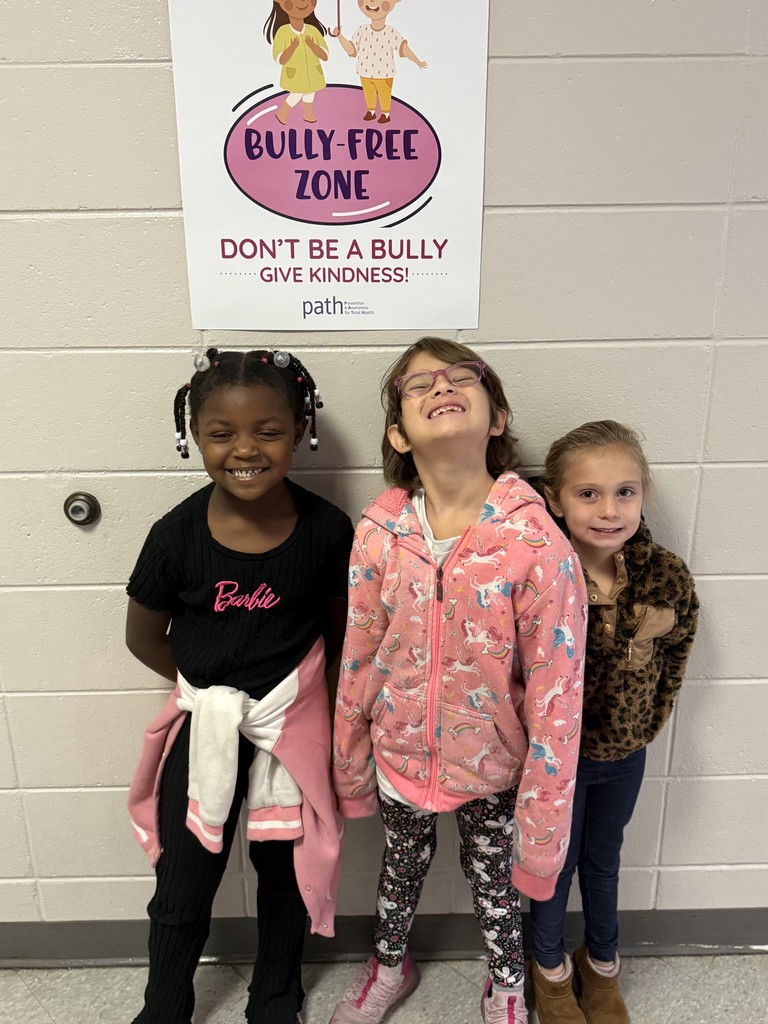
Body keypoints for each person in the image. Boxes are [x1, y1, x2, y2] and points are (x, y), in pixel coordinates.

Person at [329, 337, 587, 1024]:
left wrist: (543, 827)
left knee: (496, 884)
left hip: (494, 765)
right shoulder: (379, 533)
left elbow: (558, 696)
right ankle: (389, 965)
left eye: (461, 377)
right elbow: (359, 653)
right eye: (418, 385)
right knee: (399, 868)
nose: (441, 386)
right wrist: (350, 762)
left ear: (496, 418)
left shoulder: (537, 544)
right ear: (398, 433)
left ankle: (508, 986)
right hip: (399, 752)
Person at [125, 348, 354, 1024]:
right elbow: (144, 637)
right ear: (193, 436)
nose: (245, 449)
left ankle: (276, 997)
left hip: (292, 732)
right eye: (222, 433)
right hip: (208, 730)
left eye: (268, 431)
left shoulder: (327, 531)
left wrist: (304, 710)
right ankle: (165, 1005)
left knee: (283, 877)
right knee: (183, 881)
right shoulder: (174, 537)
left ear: (300, 430)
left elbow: (342, 636)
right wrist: (211, 700)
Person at [527, 421, 699, 1024]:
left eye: (625, 492)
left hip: (624, 756)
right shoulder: (540, 572)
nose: (609, 510)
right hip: (552, 762)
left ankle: (602, 964)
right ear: (555, 499)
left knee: (604, 862)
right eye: (588, 494)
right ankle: (548, 969)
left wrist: (644, 726)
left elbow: (677, 655)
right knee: (552, 867)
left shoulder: (666, 577)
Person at [331, 0, 427, 124]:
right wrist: (339, 36)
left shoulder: (390, 32)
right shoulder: (362, 30)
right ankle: (370, 111)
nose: (372, 1)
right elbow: (352, 49)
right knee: (368, 93)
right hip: (365, 71)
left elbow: (403, 48)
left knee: (384, 94)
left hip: (384, 73)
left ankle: (385, 114)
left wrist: (417, 61)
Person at [264, 0, 329, 124]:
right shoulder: (283, 31)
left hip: (313, 73)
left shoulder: (313, 30)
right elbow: (280, 59)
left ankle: (308, 114)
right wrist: (292, 47)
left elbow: (325, 55)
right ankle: (282, 113)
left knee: (310, 92)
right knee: (297, 93)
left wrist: (312, 45)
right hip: (295, 75)